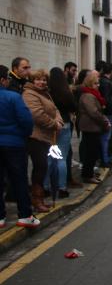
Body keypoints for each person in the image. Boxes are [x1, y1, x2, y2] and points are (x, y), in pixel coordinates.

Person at [0, 65, 39, 229]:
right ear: (3, 80)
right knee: (19, 180)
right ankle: (24, 215)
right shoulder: (13, 97)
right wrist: (24, 134)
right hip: (14, 144)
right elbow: (26, 120)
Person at [22, 69, 64, 213]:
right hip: (35, 136)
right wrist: (54, 124)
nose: (42, 82)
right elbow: (37, 115)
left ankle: (39, 198)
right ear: (32, 81)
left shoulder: (44, 93)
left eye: (44, 80)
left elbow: (55, 109)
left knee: (43, 167)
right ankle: (37, 199)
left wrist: (59, 121)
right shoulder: (29, 94)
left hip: (46, 136)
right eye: (38, 79)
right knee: (40, 167)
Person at [45, 67, 78, 198]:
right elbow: (74, 107)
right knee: (61, 158)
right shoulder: (66, 92)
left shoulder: (47, 92)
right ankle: (62, 187)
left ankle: (46, 186)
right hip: (64, 124)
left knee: (48, 157)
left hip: (50, 126)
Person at [78, 74, 110, 184]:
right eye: (95, 83)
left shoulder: (92, 94)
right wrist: (104, 121)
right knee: (90, 153)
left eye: (98, 83)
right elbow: (94, 112)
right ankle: (87, 175)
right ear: (90, 83)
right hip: (90, 127)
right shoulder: (88, 95)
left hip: (93, 127)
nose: (98, 85)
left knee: (92, 152)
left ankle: (89, 172)